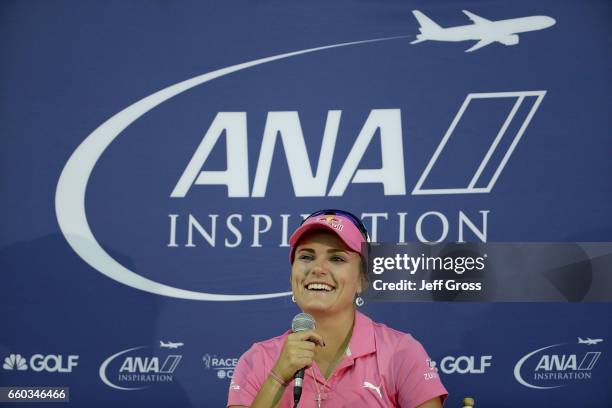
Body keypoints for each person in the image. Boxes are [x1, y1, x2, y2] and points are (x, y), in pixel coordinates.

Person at [228, 209, 447, 407]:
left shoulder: (401, 352)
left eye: (336, 258)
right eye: (306, 256)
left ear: (362, 280)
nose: (317, 268)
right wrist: (277, 377)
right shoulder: (257, 359)